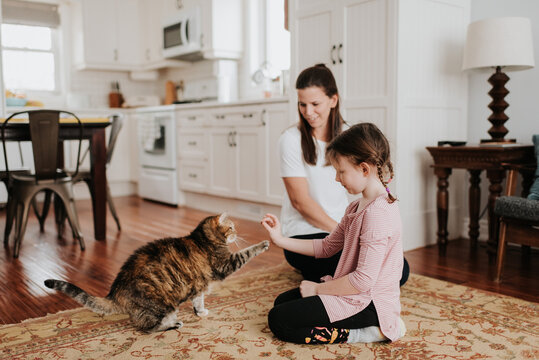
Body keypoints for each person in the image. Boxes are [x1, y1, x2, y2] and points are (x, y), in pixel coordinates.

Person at [261, 123, 406, 344]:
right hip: (356, 294)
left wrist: (318, 290)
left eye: (341, 171)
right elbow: (326, 247)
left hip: (369, 304)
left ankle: (365, 333)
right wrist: (280, 239)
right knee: (281, 302)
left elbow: (363, 281)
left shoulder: (377, 214)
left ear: (364, 169)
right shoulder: (355, 207)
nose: (337, 179)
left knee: (279, 320)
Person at [279, 63, 409, 284]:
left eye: (315, 104)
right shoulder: (291, 139)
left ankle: (337, 280)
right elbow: (300, 202)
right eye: (302, 104)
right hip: (305, 234)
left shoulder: (350, 136)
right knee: (354, 265)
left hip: (342, 229)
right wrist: (346, 235)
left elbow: (372, 181)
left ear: (333, 100)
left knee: (401, 268)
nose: (308, 112)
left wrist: (358, 232)